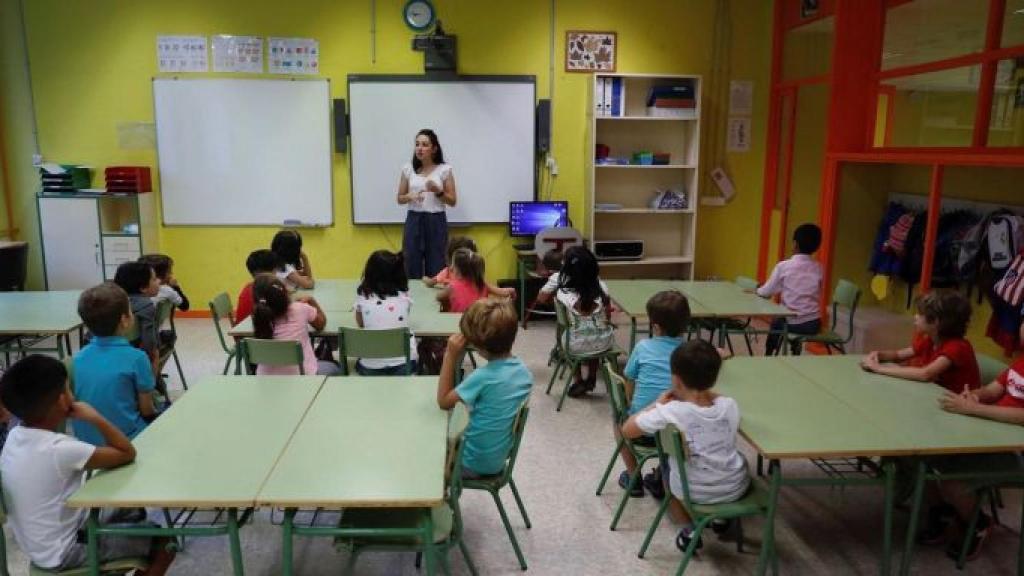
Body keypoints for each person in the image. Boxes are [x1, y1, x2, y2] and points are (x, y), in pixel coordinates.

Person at [0, 355, 175, 573]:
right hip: (66, 551)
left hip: (41, 546)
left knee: (131, 510)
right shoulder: (59, 449)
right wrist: (94, 416)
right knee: (165, 543)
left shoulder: (15, 436)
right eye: (68, 388)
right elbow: (126, 452)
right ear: (63, 401)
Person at [622, 340, 750, 553]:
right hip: (735, 487)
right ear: (714, 379)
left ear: (676, 379)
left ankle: (689, 529)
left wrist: (657, 404)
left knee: (665, 473)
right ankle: (720, 520)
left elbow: (627, 429)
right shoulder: (729, 405)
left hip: (693, 492)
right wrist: (705, 393)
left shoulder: (671, 411)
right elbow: (719, 399)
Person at [935, 323, 1024, 561]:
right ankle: (953, 513)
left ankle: (977, 523)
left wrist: (975, 409)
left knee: (950, 478)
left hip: (1016, 453)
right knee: (933, 460)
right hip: (991, 437)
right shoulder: (1020, 363)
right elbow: (994, 390)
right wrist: (975, 395)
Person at [436, 299, 533, 477]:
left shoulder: (483, 377)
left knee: (426, 449)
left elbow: (443, 401)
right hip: (496, 460)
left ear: (478, 346)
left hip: (470, 462)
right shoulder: (524, 373)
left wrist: (450, 355)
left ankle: (435, 498)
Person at [616, 290, 691, 498]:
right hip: (678, 437)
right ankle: (662, 475)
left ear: (655, 326)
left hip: (643, 432)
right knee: (675, 426)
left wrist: (631, 405)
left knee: (618, 424)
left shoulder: (642, 347)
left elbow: (629, 379)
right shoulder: (689, 352)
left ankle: (634, 478)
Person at [72, 283, 158, 445]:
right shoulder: (137, 358)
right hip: (127, 439)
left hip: (86, 441)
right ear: (125, 320)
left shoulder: (77, 358)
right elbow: (147, 409)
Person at [861, 290, 980, 393]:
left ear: (935, 322)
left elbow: (925, 374)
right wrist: (878, 355)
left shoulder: (957, 347)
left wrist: (878, 369)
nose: (915, 317)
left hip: (959, 406)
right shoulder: (931, 340)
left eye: (920, 314)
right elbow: (898, 355)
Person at [538, 245, 614, 397]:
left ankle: (578, 379)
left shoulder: (562, 292)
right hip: (604, 343)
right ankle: (592, 377)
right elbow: (608, 317)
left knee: (572, 333)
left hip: (574, 345)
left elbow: (542, 299)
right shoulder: (601, 287)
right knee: (595, 332)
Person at [397, 128, 457, 280]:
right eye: (417, 144)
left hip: (435, 221)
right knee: (410, 264)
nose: (419, 148)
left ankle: (436, 302)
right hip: (414, 220)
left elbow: (452, 201)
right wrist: (409, 196)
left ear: (434, 149)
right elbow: (399, 198)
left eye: (424, 145)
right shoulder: (408, 169)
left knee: (437, 266)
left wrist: (438, 191)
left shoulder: (445, 170)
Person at [756, 223, 823, 355]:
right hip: (813, 323)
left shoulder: (784, 266)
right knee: (789, 316)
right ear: (817, 247)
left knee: (777, 321)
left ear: (794, 244)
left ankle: (769, 354)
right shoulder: (819, 268)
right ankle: (795, 350)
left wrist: (757, 290)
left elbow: (766, 292)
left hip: (792, 323)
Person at [251, 274, 338, 376]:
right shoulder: (300, 308)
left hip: (266, 380)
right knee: (335, 367)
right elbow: (321, 324)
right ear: (284, 292)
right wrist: (311, 301)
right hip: (302, 377)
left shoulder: (258, 317)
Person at [353, 250, 419, 375]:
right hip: (404, 366)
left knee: (357, 362)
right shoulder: (405, 297)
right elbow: (401, 319)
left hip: (370, 367)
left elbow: (360, 323)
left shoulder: (363, 296)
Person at [113, 261, 161, 377]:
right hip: (131, 357)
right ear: (143, 287)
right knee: (155, 352)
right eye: (154, 279)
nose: (159, 281)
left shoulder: (109, 302)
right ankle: (151, 387)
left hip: (106, 356)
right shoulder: (146, 305)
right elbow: (149, 342)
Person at [436, 248, 514, 313]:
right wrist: (511, 291)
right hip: (480, 325)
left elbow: (438, 297)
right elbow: (504, 292)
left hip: (459, 326)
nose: (451, 268)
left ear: (460, 270)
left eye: (453, 265)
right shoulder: (482, 284)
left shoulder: (451, 287)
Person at [236, 249, 280, 324]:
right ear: (274, 270)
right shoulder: (270, 290)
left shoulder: (248, 287)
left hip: (243, 332)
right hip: (256, 333)